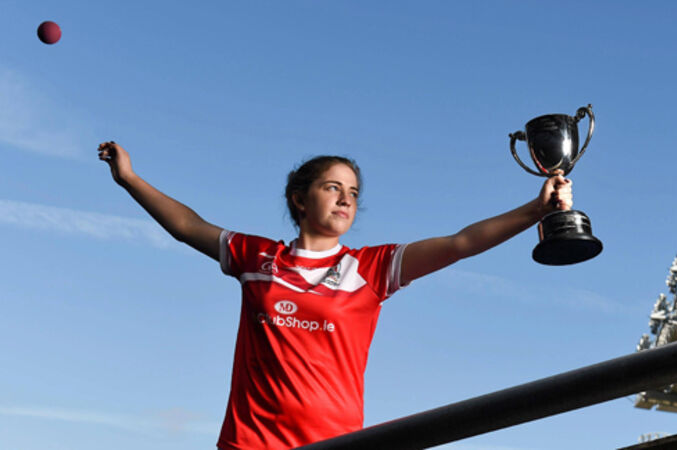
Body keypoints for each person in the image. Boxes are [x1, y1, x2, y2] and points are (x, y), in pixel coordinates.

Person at [97, 141, 573, 450]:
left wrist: (534, 210)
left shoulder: (372, 268)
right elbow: (187, 226)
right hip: (250, 444)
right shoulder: (255, 257)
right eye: (332, 187)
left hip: (336, 445)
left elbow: (460, 243)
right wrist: (130, 179)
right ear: (299, 199)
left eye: (353, 191)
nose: (346, 198)